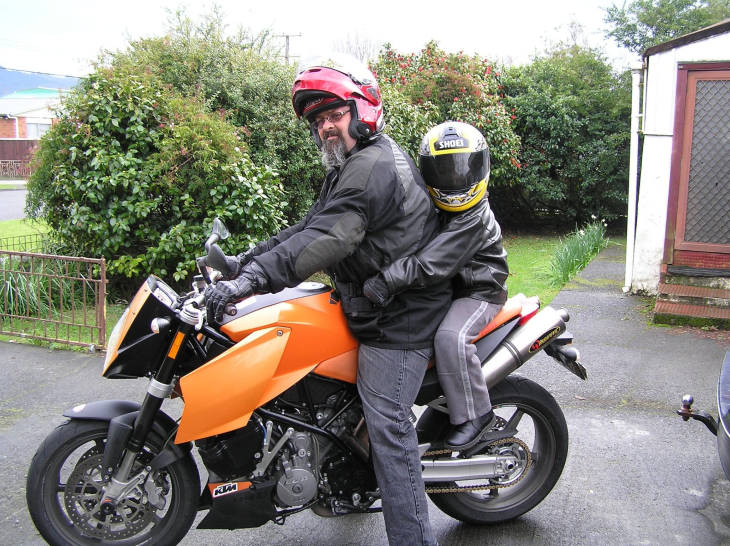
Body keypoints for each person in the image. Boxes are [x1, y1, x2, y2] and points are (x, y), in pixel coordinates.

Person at [205, 53, 451, 546]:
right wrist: (244, 264)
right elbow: (308, 227)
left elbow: (328, 240)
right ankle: (343, 469)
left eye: (334, 115)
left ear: (363, 111)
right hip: (368, 303)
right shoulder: (351, 166)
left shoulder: (372, 168)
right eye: (318, 120)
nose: (325, 128)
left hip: (400, 318)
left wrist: (248, 282)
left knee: (390, 432)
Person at [362, 121, 509, 451]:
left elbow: (431, 262)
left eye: (462, 170)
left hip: (480, 291)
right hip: (453, 289)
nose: (455, 180)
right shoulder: (434, 206)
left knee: (450, 338)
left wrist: (387, 280)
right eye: (445, 171)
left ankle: (476, 414)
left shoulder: (474, 218)